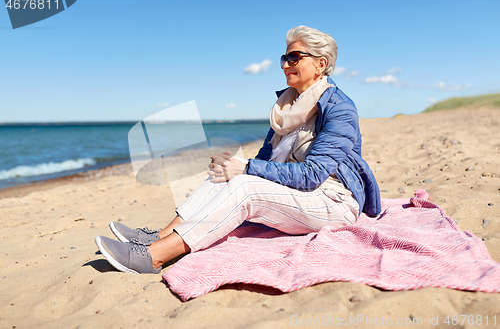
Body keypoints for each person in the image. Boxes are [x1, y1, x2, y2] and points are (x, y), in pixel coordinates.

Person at [95, 25, 381, 274]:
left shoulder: (340, 109)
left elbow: (312, 175)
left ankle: (154, 257)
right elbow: (264, 161)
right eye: (284, 57)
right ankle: (160, 235)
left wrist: (246, 169)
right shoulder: (286, 107)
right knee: (226, 174)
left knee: (245, 185)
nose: (285, 64)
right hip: (302, 195)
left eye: (294, 57)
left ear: (321, 64)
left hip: (333, 200)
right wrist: (235, 166)